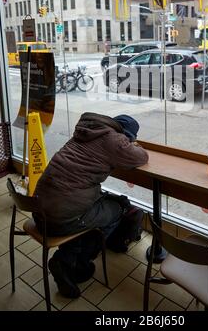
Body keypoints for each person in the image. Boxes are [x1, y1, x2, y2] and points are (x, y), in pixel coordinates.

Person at [33, 112, 148, 298]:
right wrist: (133, 145)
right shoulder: (115, 140)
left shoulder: (85, 132)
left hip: (40, 210)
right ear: (125, 135)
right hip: (60, 219)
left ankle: (70, 254)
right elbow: (141, 157)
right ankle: (74, 262)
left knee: (92, 206)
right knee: (118, 209)